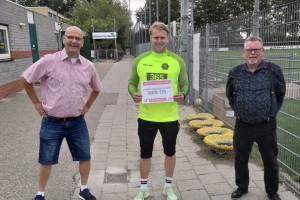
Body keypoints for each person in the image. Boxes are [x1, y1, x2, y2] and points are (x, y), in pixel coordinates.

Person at [21, 26, 101, 200]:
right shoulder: (48, 61)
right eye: (70, 37)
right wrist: (36, 102)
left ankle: (84, 189)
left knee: (85, 156)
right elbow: (26, 79)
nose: (74, 41)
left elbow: (96, 89)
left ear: (82, 42)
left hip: (77, 122)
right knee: (46, 159)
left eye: (78, 38)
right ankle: (40, 194)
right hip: (52, 122)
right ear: (63, 39)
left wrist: (87, 106)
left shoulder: (88, 66)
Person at [128, 22, 189, 200]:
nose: (159, 41)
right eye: (156, 37)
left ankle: (168, 187)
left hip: (169, 117)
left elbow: (184, 84)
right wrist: (134, 94)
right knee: (145, 153)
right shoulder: (140, 60)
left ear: (167, 38)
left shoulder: (177, 61)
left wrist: (183, 94)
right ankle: (143, 188)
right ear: (151, 38)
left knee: (170, 152)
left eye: (162, 38)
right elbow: (132, 84)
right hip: (146, 117)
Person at [226, 36, 286, 200]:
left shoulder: (273, 70)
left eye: (256, 49)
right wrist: (240, 110)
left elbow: (280, 94)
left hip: (266, 126)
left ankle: (272, 192)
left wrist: (271, 111)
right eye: (249, 50)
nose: (253, 53)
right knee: (240, 158)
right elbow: (230, 95)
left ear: (262, 51)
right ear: (244, 52)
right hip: (242, 125)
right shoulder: (235, 72)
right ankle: (242, 187)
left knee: (270, 161)